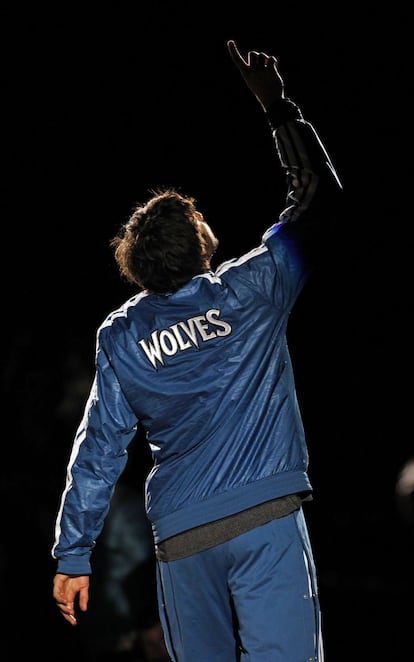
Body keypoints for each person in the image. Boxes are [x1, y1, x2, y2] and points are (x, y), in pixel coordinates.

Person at [52, 38, 342, 661]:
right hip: (264, 520)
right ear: (201, 239)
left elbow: (97, 451)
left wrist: (73, 554)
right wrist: (278, 106)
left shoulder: (122, 335)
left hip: (184, 540)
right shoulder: (257, 286)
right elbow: (317, 201)